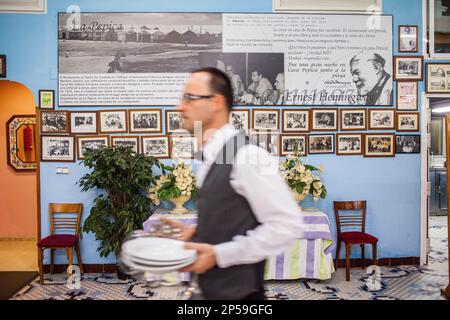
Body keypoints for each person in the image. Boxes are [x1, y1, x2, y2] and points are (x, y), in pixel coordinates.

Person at [163, 67, 305, 300]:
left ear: (216, 102)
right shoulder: (211, 156)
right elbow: (234, 216)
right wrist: (198, 232)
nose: (180, 106)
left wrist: (220, 254)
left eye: (190, 97)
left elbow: (287, 225)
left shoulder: (247, 155)